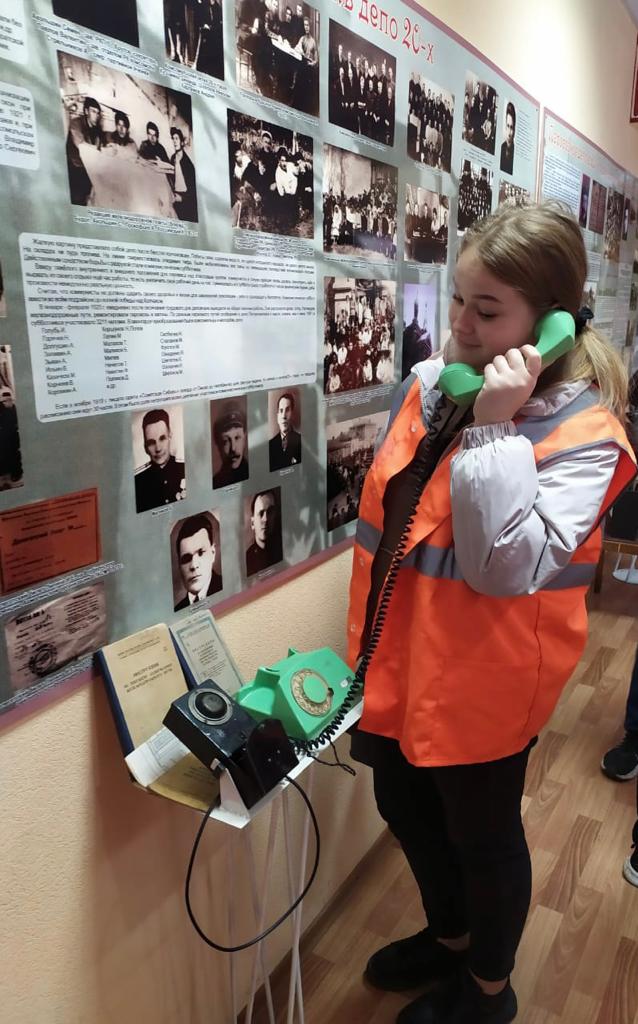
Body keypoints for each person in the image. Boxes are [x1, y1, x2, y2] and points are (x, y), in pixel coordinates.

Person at [346, 201, 636, 1024]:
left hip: (485, 681)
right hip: (395, 658)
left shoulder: (585, 434)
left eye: (487, 309)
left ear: (548, 324)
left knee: (481, 837)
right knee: (404, 808)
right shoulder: (434, 382)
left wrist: (493, 431)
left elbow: (501, 567)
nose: (461, 324)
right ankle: (449, 939)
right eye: (458, 298)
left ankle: (487, 989)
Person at [134, 409, 186, 513]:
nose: (158, 448)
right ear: (145, 446)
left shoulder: (185, 468)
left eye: (162, 438)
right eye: (151, 442)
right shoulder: (137, 482)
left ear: (170, 436)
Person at [174, 513, 222, 610]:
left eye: (200, 553)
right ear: (179, 565)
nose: (193, 565)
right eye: (186, 559)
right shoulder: (178, 609)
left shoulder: (227, 588)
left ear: (213, 553)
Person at [65, 96, 105, 206]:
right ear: (86, 111)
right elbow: (81, 145)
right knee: (76, 200)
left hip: (87, 169)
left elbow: (98, 149)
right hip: (74, 168)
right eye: (93, 111)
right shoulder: (76, 123)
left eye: (98, 113)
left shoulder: (97, 130)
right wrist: (99, 151)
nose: (96, 115)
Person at [246, 489, 283, 575]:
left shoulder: (284, 551)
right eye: (261, 513)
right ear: (252, 523)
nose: (265, 519)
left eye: (270, 512)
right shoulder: (247, 559)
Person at [213, 405, 249, 488]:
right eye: (226, 441)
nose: (233, 448)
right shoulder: (215, 483)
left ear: (244, 438)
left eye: (237, 438)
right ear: (218, 444)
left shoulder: (256, 472)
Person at [170, 127, 198, 222]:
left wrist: (182, 198)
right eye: (173, 139)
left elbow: (194, 189)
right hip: (175, 197)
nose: (174, 141)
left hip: (186, 200)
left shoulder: (187, 163)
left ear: (182, 142)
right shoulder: (173, 158)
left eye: (177, 138)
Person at [269, 392, 302, 470]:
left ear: (292, 414)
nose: (284, 416)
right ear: (277, 416)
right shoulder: (270, 445)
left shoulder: (301, 441)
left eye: (287, 410)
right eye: (281, 410)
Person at [500, 102, 516, 175]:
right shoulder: (501, 148)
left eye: (511, 128)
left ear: (514, 130)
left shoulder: (515, 153)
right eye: (508, 126)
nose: (509, 133)